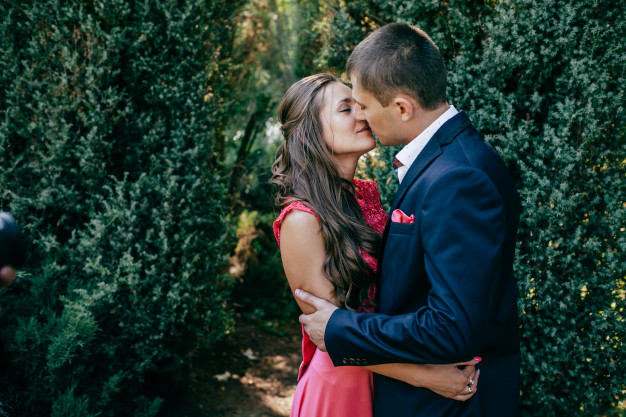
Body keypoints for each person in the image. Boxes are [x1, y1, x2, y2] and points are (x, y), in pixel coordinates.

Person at [296, 23, 521, 417]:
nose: (361, 116)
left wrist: (340, 329)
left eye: (362, 104)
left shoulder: (456, 177)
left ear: (401, 107)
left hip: (448, 406)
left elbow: (452, 327)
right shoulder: (446, 161)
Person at [271, 72, 482, 417]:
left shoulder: (365, 193)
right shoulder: (302, 220)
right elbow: (332, 333)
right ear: (312, 132)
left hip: (385, 375)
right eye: (345, 108)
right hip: (342, 384)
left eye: (359, 105)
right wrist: (427, 377)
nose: (362, 114)